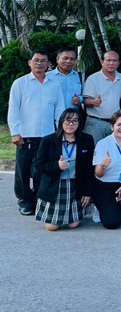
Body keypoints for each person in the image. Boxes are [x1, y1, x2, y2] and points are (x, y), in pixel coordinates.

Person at [8, 50, 65, 215]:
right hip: (26, 135)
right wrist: (15, 132)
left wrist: (59, 132)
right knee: (23, 170)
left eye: (43, 61)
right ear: (29, 63)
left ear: (49, 64)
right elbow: (13, 110)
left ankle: (41, 198)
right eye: (36, 60)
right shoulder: (20, 83)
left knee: (43, 169)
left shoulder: (54, 84)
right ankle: (25, 201)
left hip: (48, 135)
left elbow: (59, 109)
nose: (39, 64)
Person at [32, 108, 94, 230]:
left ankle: (72, 216)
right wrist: (57, 166)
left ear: (79, 123)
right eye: (67, 121)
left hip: (75, 185)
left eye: (75, 121)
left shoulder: (87, 140)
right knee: (52, 227)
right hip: (54, 185)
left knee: (73, 225)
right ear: (61, 122)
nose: (70, 124)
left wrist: (88, 192)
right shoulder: (48, 140)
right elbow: (38, 165)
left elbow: (89, 168)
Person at [83, 50, 121, 144]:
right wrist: (92, 102)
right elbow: (85, 100)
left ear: (119, 63)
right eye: (108, 60)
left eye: (115, 61)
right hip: (96, 123)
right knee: (94, 152)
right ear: (102, 62)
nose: (111, 63)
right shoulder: (93, 79)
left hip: (117, 123)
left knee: (115, 152)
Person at [46, 48, 83, 115]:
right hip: (52, 116)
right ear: (57, 59)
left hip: (73, 117)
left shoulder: (80, 76)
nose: (68, 61)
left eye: (72, 59)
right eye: (65, 58)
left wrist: (79, 99)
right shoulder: (47, 77)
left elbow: (85, 95)